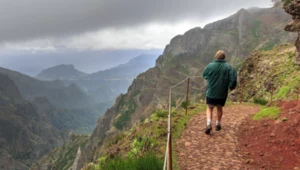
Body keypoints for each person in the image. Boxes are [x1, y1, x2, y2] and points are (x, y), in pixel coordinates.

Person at [202, 50, 237, 135]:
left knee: (209, 108)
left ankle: (209, 124)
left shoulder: (210, 66)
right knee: (219, 108)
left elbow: (204, 75)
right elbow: (233, 77)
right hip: (222, 92)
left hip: (211, 92)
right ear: (224, 57)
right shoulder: (229, 67)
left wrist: (210, 79)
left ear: (216, 56)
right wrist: (230, 86)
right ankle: (218, 124)